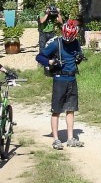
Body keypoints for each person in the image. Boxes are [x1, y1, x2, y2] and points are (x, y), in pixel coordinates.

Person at [35, 19, 84, 149]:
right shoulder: (56, 44)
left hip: (72, 79)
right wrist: (51, 62)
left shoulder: (76, 43)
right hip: (59, 79)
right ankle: (56, 139)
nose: (68, 42)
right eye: (66, 39)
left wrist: (79, 58)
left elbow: (77, 55)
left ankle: (70, 138)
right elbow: (39, 57)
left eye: (71, 39)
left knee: (71, 109)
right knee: (56, 110)